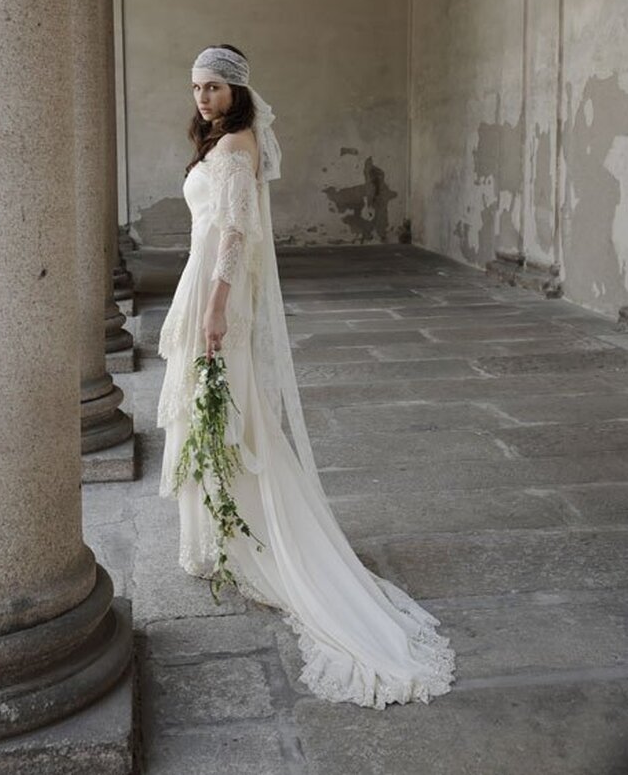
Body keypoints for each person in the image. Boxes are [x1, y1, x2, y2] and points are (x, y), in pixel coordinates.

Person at [157, 44, 456, 708]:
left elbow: (234, 235)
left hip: (216, 290)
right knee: (214, 408)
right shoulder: (222, 144)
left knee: (226, 407)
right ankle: (224, 534)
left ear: (238, 91)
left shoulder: (236, 149)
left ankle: (250, 534)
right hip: (200, 281)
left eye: (214, 87)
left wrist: (213, 309)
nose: (202, 97)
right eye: (196, 87)